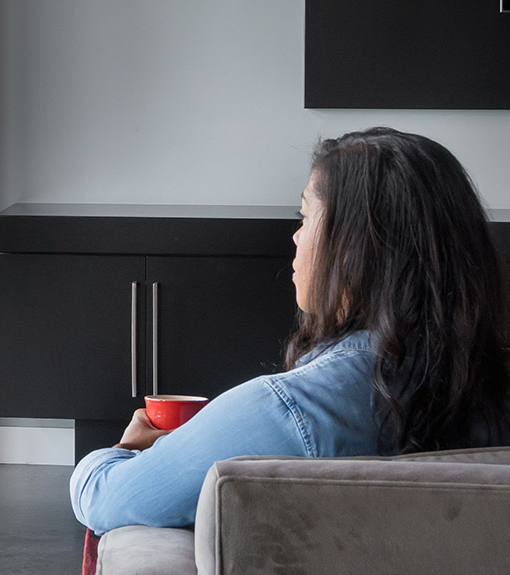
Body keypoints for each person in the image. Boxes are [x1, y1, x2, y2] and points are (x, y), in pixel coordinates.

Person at [70, 126, 510, 535]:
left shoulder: (293, 410)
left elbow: (106, 497)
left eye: (304, 216)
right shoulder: (488, 384)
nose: (296, 238)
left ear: (356, 247)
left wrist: (123, 452)